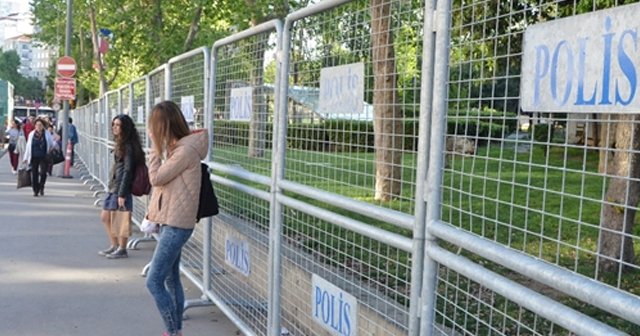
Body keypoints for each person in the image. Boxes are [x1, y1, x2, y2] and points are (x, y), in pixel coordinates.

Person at [145, 101, 208, 336]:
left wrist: (153, 148)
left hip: (177, 225)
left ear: (165, 126)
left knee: (153, 281)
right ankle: (176, 330)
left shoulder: (184, 151)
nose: (153, 132)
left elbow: (157, 178)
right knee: (171, 280)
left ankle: (173, 332)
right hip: (172, 221)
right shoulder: (179, 148)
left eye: (155, 127)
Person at [98, 114, 145, 259]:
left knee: (121, 218)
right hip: (115, 185)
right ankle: (115, 245)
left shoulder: (128, 146)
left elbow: (128, 170)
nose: (114, 128)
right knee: (106, 217)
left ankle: (122, 248)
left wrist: (122, 193)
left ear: (125, 128)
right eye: (113, 124)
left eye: (117, 125)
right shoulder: (121, 143)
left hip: (121, 187)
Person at [23, 117, 55, 197]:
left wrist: (52, 148)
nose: (38, 127)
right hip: (33, 156)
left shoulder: (47, 134)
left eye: (40, 125)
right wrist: (25, 158)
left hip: (44, 156)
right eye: (37, 125)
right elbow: (28, 146)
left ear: (43, 126)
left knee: (43, 173)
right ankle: (35, 190)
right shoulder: (31, 134)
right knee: (34, 174)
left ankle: (41, 186)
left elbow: (52, 144)